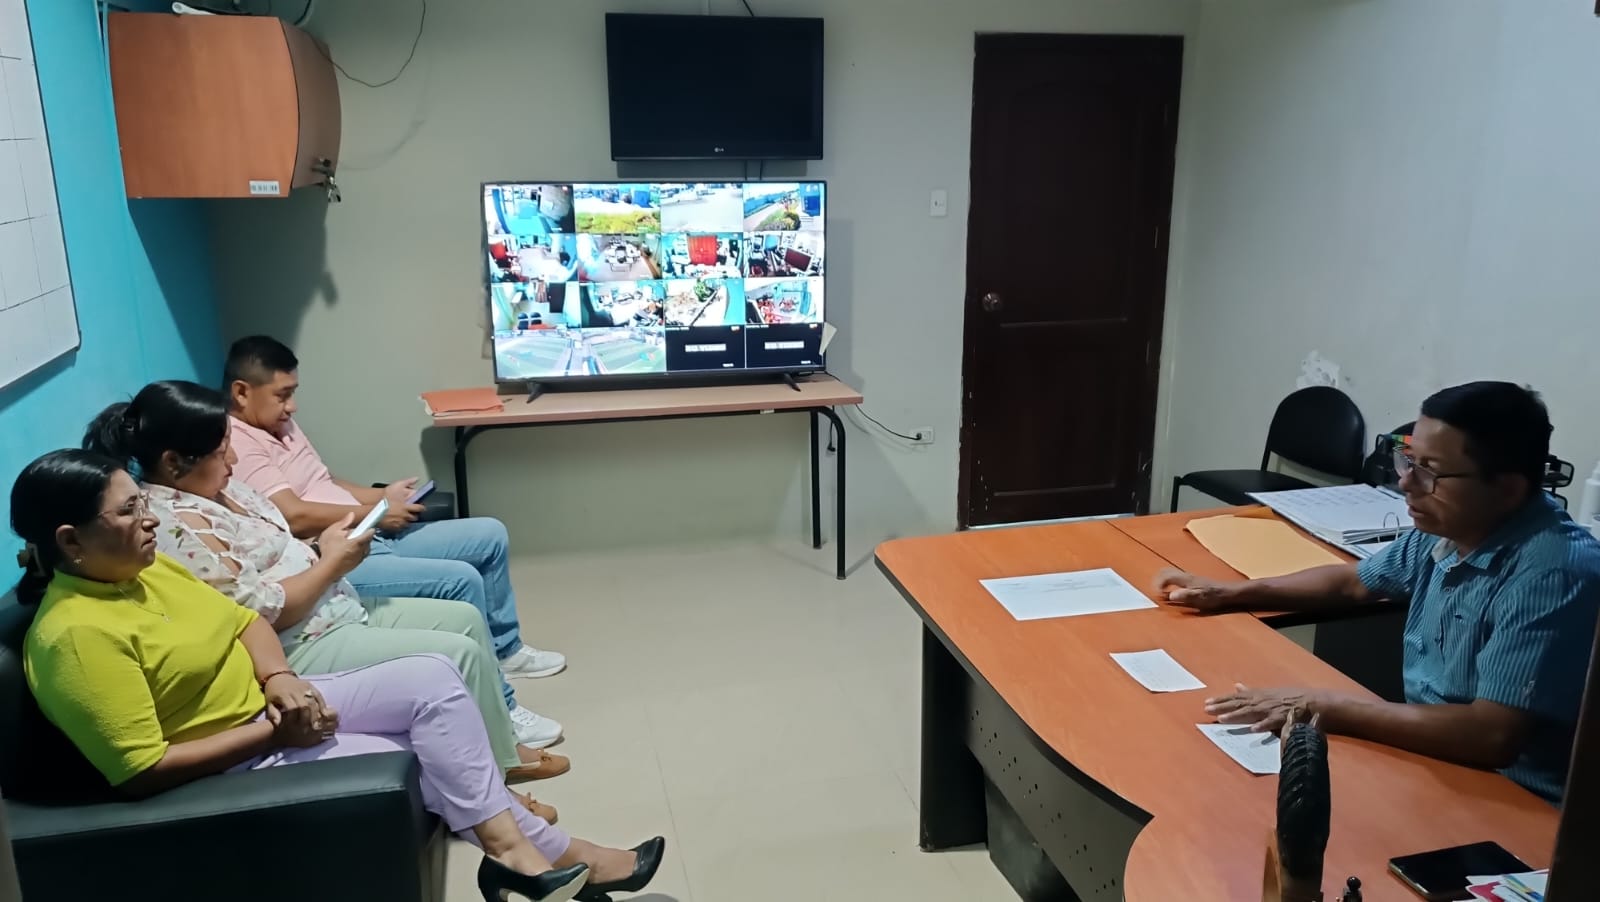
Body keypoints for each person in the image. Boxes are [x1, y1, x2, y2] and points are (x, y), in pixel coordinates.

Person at [11, 450, 665, 902]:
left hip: (272, 706)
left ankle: (519, 859)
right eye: (129, 512)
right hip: (232, 755)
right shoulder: (74, 637)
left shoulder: (145, 569)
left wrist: (279, 680)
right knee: (429, 754)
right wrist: (273, 734)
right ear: (70, 541)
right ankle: (551, 858)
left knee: (434, 678)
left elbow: (245, 621)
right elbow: (141, 770)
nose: (150, 519)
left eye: (141, 504)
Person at [81, 380, 568, 784]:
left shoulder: (222, 489)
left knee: (463, 618)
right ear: (173, 463)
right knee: (455, 650)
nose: (232, 462)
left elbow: (280, 544)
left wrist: (322, 549)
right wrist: (332, 563)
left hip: (332, 603)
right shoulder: (174, 524)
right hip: (301, 640)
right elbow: (260, 613)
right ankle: (493, 777)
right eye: (221, 452)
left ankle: (501, 746)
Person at [1156, 382, 1600, 805]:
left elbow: (1491, 735)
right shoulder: (1451, 525)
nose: (1406, 482)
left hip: (1515, 801)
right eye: (1409, 460)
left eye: (1431, 471)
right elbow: (1354, 582)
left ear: (1507, 488)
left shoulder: (1554, 572)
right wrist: (1232, 592)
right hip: (1433, 760)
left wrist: (1327, 706)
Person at [221, 336, 564, 748]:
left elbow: (325, 482)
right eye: (283, 395)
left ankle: (505, 651)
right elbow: (294, 515)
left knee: (489, 534)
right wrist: (378, 513)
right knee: (460, 580)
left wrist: (382, 497)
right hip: (340, 552)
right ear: (242, 392)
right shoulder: (238, 444)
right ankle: (503, 711)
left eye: (293, 393)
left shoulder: (280, 425)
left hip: (369, 528)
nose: (292, 406)